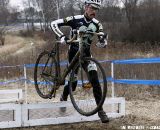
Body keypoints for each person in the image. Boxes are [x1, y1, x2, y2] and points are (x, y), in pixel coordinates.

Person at [51, 0, 109, 123]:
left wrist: (103, 42)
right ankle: (64, 96)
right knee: (73, 85)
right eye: (92, 8)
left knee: (95, 80)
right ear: (86, 7)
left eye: (96, 9)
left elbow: (102, 39)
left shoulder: (97, 24)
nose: (94, 11)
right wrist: (62, 37)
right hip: (73, 55)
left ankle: (100, 111)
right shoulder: (75, 19)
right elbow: (54, 23)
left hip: (87, 55)